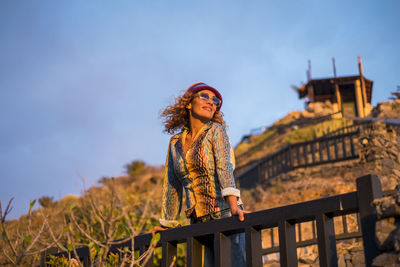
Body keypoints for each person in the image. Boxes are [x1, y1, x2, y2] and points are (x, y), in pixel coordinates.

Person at [152, 82, 249, 266]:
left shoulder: (216, 131)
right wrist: (167, 223)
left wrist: (234, 206)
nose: (211, 102)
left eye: (215, 100)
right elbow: (172, 186)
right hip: (197, 223)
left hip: (226, 214)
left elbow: (224, 168)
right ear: (188, 103)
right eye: (204, 96)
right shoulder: (175, 143)